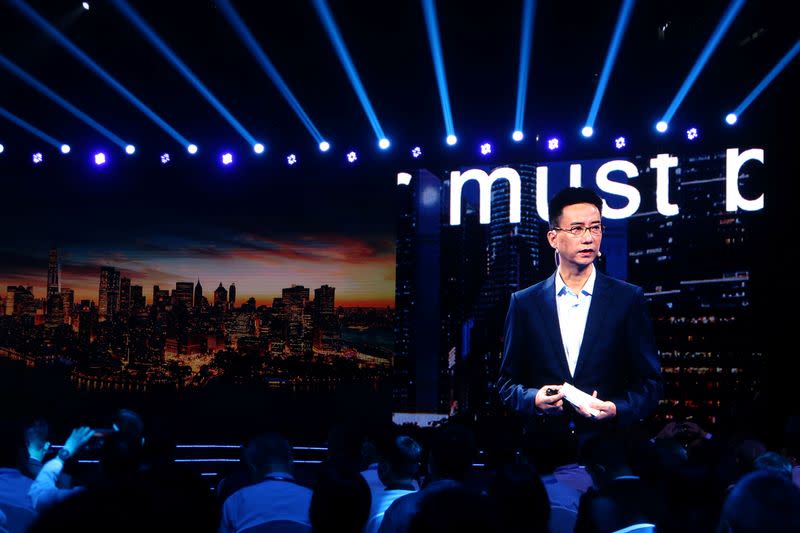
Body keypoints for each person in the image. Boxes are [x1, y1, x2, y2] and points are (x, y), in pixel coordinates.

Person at [497, 186, 662, 453]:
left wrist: (617, 409)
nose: (588, 238)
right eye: (576, 229)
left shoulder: (628, 299)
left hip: (609, 452)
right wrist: (533, 398)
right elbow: (506, 383)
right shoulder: (524, 303)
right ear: (553, 238)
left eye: (595, 228)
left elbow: (651, 383)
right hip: (544, 454)